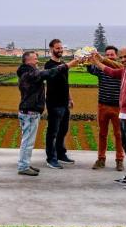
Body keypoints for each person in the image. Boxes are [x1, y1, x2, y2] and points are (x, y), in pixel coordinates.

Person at [89, 47, 126, 188]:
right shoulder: (125, 70)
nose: (123, 60)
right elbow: (111, 71)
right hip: (124, 112)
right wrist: (96, 62)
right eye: (121, 58)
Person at [16, 50, 80, 176]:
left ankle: (25, 164)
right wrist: (68, 65)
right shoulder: (29, 74)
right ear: (28, 60)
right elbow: (49, 72)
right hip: (30, 112)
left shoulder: (27, 72)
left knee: (28, 141)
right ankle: (23, 166)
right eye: (35, 59)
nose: (37, 61)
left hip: (29, 112)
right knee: (27, 142)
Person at [86, 45, 124, 171]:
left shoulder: (120, 69)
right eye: (107, 55)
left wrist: (100, 60)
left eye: (112, 55)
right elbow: (91, 69)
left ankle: (119, 160)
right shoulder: (101, 69)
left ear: (116, 56)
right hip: (102, 105)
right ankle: (101, 159)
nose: (109, 57)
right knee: (102, 134)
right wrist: (87, 59)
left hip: (117, 108)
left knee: (119, 134)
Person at [43, 38, 74, 169]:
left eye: (61, 48)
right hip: (54, 103)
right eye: (57, 48)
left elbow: (65, 83)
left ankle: (61, 153)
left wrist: (70, 98)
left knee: (63, 130)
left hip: (64, 102)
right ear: (51, 49)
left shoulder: (64, 65)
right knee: (53, 131)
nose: (60, 50)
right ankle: (51, 158)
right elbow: (56, 72)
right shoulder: (49, 65)